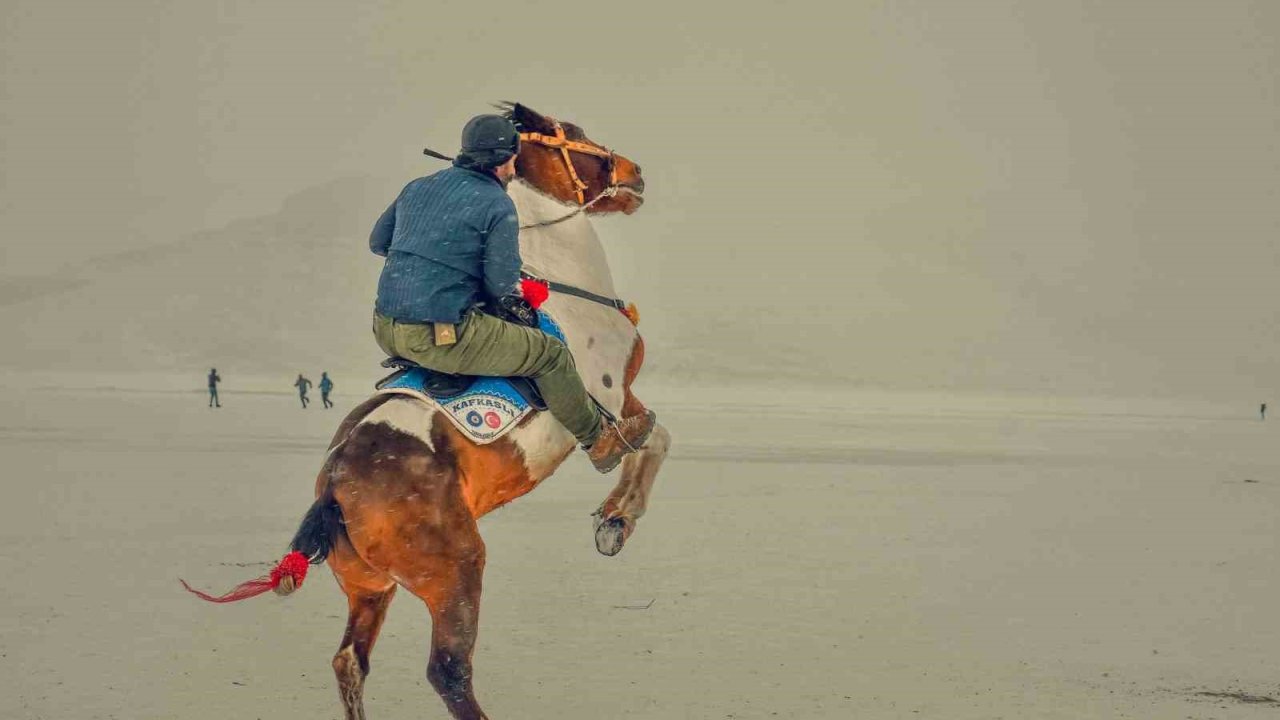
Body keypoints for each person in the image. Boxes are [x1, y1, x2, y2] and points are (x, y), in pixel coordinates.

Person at [368, 114, 654, 473]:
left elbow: (379, 243)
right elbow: (502, 288)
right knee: (549, 354)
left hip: (386, 331)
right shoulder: (497, 203)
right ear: (506, 160)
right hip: (436, 336)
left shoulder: (417, 187)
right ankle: (599, 441)